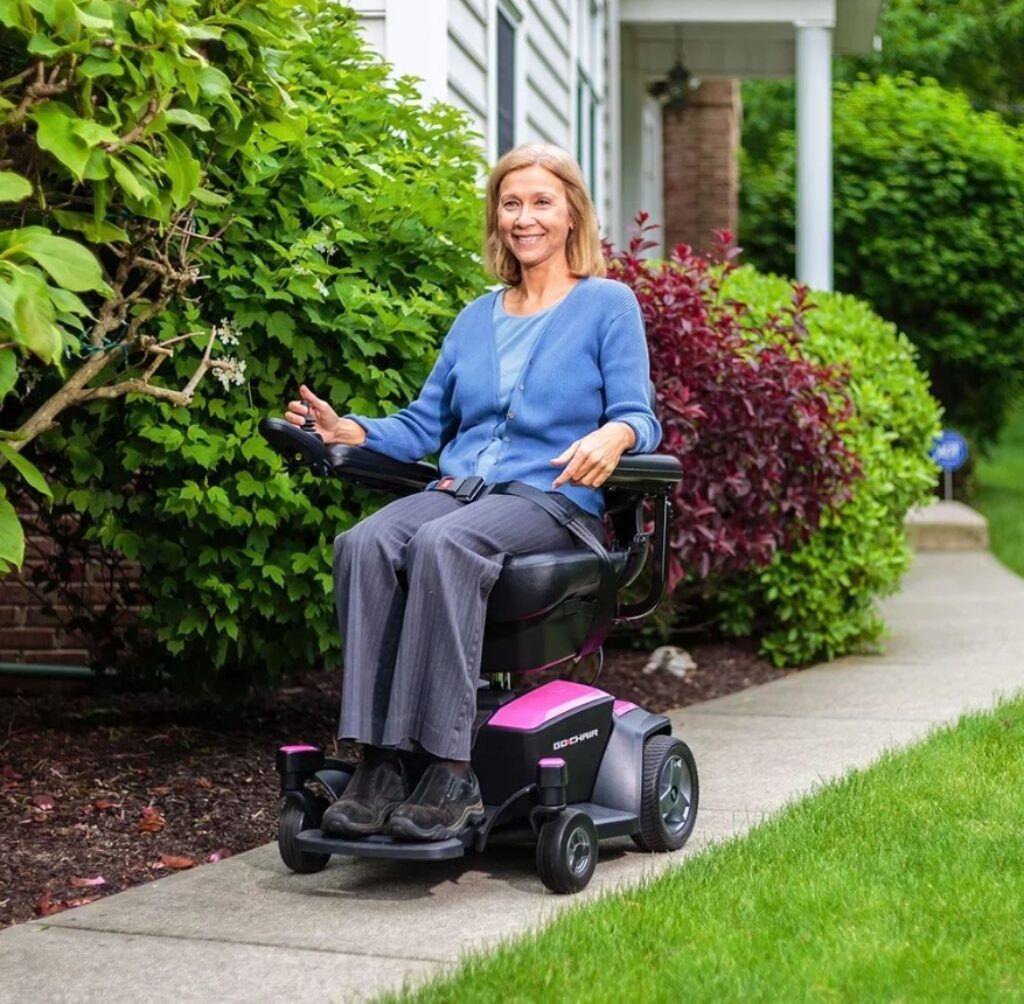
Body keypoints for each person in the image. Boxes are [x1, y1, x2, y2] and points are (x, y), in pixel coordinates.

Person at [283, 143, 660, 842]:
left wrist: (616, 436)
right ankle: (379, 762)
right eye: (511, 203)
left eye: (541, 202)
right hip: (466, 491)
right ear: (497, 218)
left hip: (549, 501)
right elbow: (424, 424)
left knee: (441, 541)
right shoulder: (475, 317)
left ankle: (450, 767)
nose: (525, 218)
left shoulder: (607, 304)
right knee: (363, 542)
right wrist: (353, 430)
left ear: (571, 211)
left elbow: (640, 413)